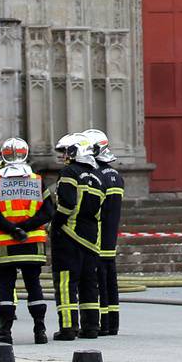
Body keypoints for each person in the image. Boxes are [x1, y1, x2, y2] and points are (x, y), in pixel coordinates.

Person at [0, 136, 52, 345]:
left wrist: (13, 230)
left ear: (3, 156)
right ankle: (40, 331)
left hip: (5, 243)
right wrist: (26, 228)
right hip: (33, 242)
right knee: (34, 285)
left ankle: (5, 332)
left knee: (6, 288)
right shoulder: (38, 180)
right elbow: (49, 211)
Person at [48, 133, 105, 341]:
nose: (64, 156)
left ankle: (68, 327)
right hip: (91, 238)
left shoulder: (69, 173)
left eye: (65, 152)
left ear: (75, 152)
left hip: (68, 236)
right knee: (89, 283)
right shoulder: (98, 177)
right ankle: (91, 326)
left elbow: (67, 204)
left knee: (65, 283)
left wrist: (55, 225)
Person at [83, 129, 126, 335]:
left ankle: (102, 323)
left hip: (96, 237)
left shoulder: (96, 177)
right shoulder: (116, 176)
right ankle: (112, 323)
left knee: (98, 282)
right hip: (110, 238)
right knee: (111, 281)